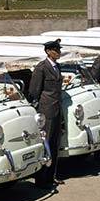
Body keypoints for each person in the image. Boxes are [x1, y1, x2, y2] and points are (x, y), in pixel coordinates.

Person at [29, 39, 64, 190]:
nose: (59, 52)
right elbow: (34, 91)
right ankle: (41, 179)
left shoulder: (57, 67)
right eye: (56, 50)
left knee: (54, 143)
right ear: (48, 51)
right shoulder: (42, 68)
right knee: (46, 143)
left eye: (59, 49)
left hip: (56, 108)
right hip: (46, 109)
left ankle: (51, 176)